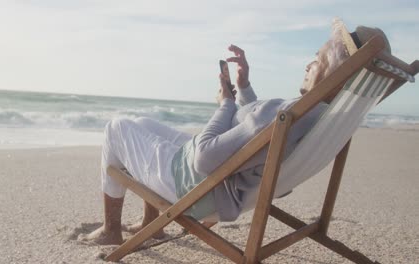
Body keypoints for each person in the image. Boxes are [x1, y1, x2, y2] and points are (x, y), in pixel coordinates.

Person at [79, 19, 391, 245]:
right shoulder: (316, 117)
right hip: (224, 185)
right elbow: (267, 137)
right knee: (144, 125)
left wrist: (226, 102)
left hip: (197, 185)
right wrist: (243, 87)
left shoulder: (293, 113)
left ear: (332, 71)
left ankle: (111, 230)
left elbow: (204, 158)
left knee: (117, 128)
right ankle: (152, 224)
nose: (309, 64)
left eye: (318, 59)